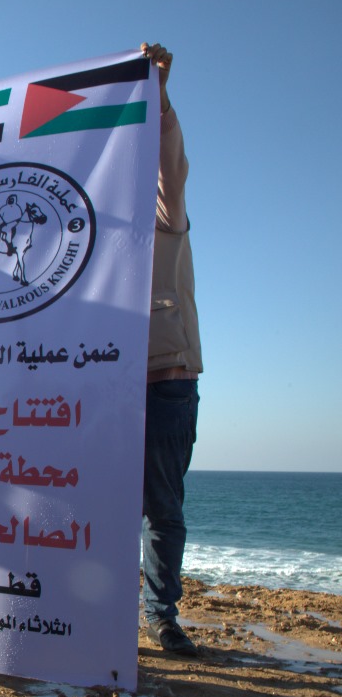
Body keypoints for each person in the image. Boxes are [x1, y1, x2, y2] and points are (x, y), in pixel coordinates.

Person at [139, 42, 202, 657]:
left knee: (162, 510)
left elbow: (169, 167)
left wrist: (158, 94)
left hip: (166, 384)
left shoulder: (164, 214)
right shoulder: (88, 231)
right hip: (102, 389)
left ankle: (161, 616)